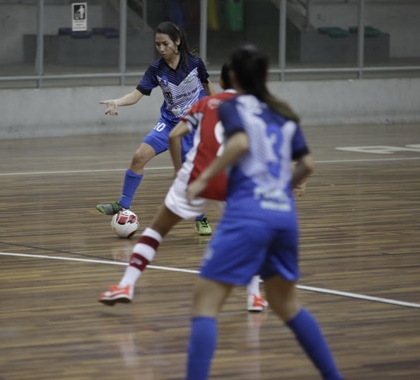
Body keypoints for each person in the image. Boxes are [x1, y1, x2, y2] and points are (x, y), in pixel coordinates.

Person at [184, 45, 343, 380]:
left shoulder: (234, 106)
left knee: (205, 306)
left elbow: (240, 144)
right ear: (266, 76)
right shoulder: (283, 112)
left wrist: (204, 180)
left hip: (247, 216)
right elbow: (308, 165)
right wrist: (289, 186)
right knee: (287, 306)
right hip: (284, 218)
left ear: (234, 77)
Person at [98, 62, 267, 312]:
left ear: (220, 82)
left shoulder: (204, 104)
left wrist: (179, 172)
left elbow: (175, 135)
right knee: (249, 235)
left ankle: (126, 285)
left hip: (195, 175)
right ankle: (254, 296)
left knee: (155, 231)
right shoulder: (252, 109)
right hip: (228, 178)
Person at [96, 21, 216, 236]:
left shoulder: (195, 64)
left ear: (177, 42)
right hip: (169, 122)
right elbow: (136, 95)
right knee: (139, 156)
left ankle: (201, 217)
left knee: (191, 174)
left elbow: (207, 86)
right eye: (157, 44)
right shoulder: (156, 69)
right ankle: (123, 204)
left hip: (191, 127)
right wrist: (117, 102)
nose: (161, 49)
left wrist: (216, 110)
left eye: (165, 44)